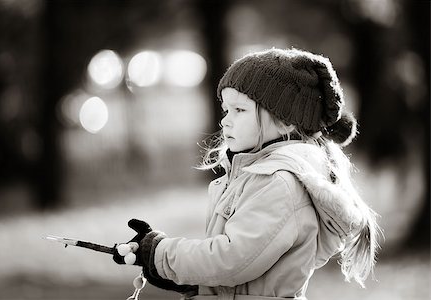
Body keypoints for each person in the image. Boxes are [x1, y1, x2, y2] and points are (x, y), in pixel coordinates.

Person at [113, 48, 382, 300]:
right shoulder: (256, 175)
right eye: (226, 110)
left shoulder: (279, 182)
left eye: (239, 110)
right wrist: (182, 276)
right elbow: (244, 271)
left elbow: (230, 261)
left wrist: (161, 252)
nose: (225, 121)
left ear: (286, 120)